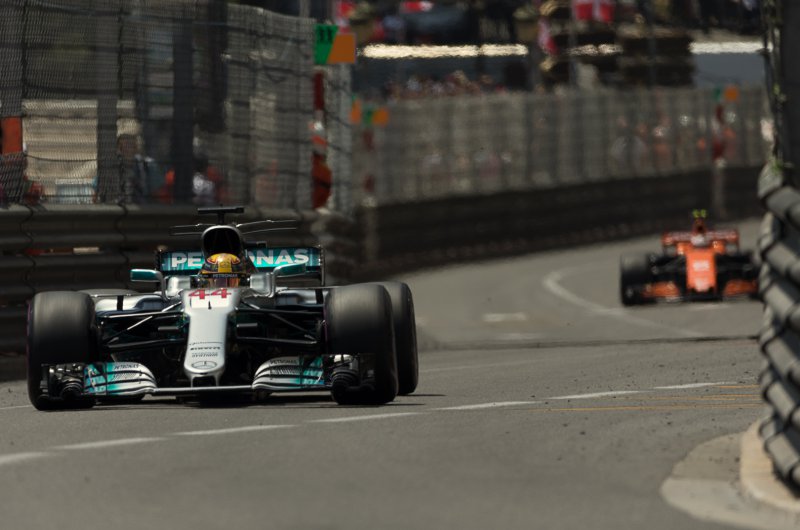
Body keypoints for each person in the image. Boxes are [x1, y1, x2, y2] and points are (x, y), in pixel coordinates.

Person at [116, 133, 159, 204]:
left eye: (131, 146)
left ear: (136, 148)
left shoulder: (147, 164)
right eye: (125, 146)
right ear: (119, 149)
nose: (128, 149)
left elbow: (158, 191)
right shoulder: (113, 166)